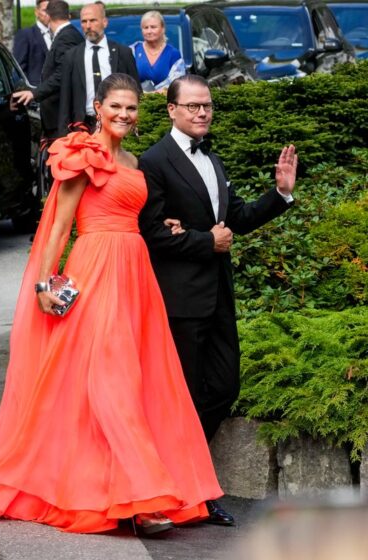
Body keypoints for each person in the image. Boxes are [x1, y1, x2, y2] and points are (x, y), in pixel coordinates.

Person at [0, 73, 228, 535]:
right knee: (111, 383)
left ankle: (122, 490)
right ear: (98, 106)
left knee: (137, 385)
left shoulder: (135, 160)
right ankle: (144, 500)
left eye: (132, 108)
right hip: (95, 271)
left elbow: (140, 218)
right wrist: (43, 285)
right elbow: (58, 227)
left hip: (136, 275)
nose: (123, 114)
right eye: (115, 106)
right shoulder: (81, 155)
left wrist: (169, 225)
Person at [139, 74, 297, 444]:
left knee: (225, 388)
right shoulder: (154, 161)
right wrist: (205, 242)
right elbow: (152, 234)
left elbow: (236, 219)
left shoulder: (212, 156)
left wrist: (280, 194)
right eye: (193, 106)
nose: (202, 113)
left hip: (219, 297)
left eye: (207, 105)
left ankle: (187, 470)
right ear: (172, 110)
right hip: (181, 299)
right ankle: (185, 487)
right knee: (184, 396)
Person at [58, 3, 140, 135]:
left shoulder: (123, 53)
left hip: (117, 123)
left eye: (93, 20)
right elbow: (65, 98)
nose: (88, 26)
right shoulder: (71, 56)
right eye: (84, 21)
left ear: (105, 22)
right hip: (83, 127)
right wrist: (63, 134)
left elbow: (136, 91)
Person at [13, 0, 84, 140]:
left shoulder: (66, 37)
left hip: (60, 113)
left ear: (49, 16)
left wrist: (34, 93)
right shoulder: (71, 34)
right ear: (68, 15)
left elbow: (62, 74)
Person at [130, 10, 186, 93]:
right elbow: (124, 80)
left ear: (163, 29)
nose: (149, 31)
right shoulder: (133, 51)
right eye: (146, 28)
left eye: (153, 27)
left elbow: (178, 85)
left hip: (163, 102)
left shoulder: (173, 54)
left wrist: (158, 94)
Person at [13, 0, 51, 87]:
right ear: (36, 12)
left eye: (51, 10)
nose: (48, 14)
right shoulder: (26, 34)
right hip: (35, 91)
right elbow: (19, 68)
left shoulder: (58, 34)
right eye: (45, 10)